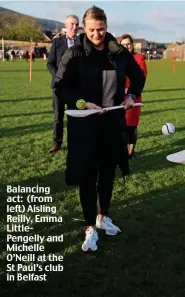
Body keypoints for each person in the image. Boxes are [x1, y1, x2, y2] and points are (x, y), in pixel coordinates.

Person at [53, 6, 146, 252]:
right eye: (92, 30)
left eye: (101, 29)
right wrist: (83, 103)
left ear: (107, 26)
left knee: (107, 173)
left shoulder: (118, 52)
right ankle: (89, 227)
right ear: (85, 28)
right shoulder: (74, 55)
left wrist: (131, 94)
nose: (97, 34)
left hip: (111, 124)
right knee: (87, 176)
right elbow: (60, 87)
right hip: (84, 126)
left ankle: (103, 217)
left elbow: (137, 77)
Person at [47, 15, 79, 153]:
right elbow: (50, 63)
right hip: (59, 87)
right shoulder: (57, 42)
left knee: (74, 117)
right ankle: (57, 143)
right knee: (58, 117)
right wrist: (59, 77)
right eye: (72, 24)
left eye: (77, 24)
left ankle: (74, 142)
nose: (74, 27)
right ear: (66, 26)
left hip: (74, 88)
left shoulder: (82, 43)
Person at [118, 34, 148, 159]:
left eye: (129, 44)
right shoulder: (116, 59)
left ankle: (131, 151)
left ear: (132, 45)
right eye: (123, 44)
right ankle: (122, 150)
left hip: (133, 97)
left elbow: (141, 77)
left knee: (131, 125)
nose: (127, 47)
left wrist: (130, 91)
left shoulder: (139, 58)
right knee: (121, 126)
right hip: (119, 97)